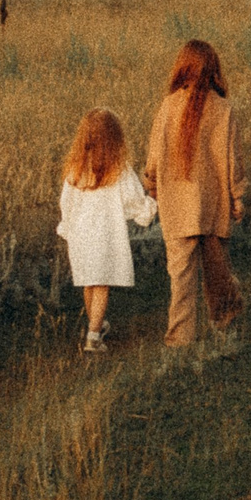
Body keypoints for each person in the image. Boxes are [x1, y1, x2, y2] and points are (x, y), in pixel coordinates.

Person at [147, 39, 246, 345]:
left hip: (177, 204)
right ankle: (225, 319)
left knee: (180, 275)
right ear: (214, 68)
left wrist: (151, 185)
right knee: (217, 269)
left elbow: (154, 155)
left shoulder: (168, 105)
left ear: (183, 67)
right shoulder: (223, 109)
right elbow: (232, 158)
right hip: (213, 203)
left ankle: (180, 337)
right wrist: (237, 195)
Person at [56, 107, 154, 353]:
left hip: (80, 235)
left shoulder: (75, 170)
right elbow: (134, 201)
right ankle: (93, 338)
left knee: (90, 282)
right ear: (115, 137)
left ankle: (96, 325)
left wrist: (67, 225)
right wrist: (151, 204)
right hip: (104, 235)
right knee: (101, 284)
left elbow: (66, 203)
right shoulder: (119, 169)